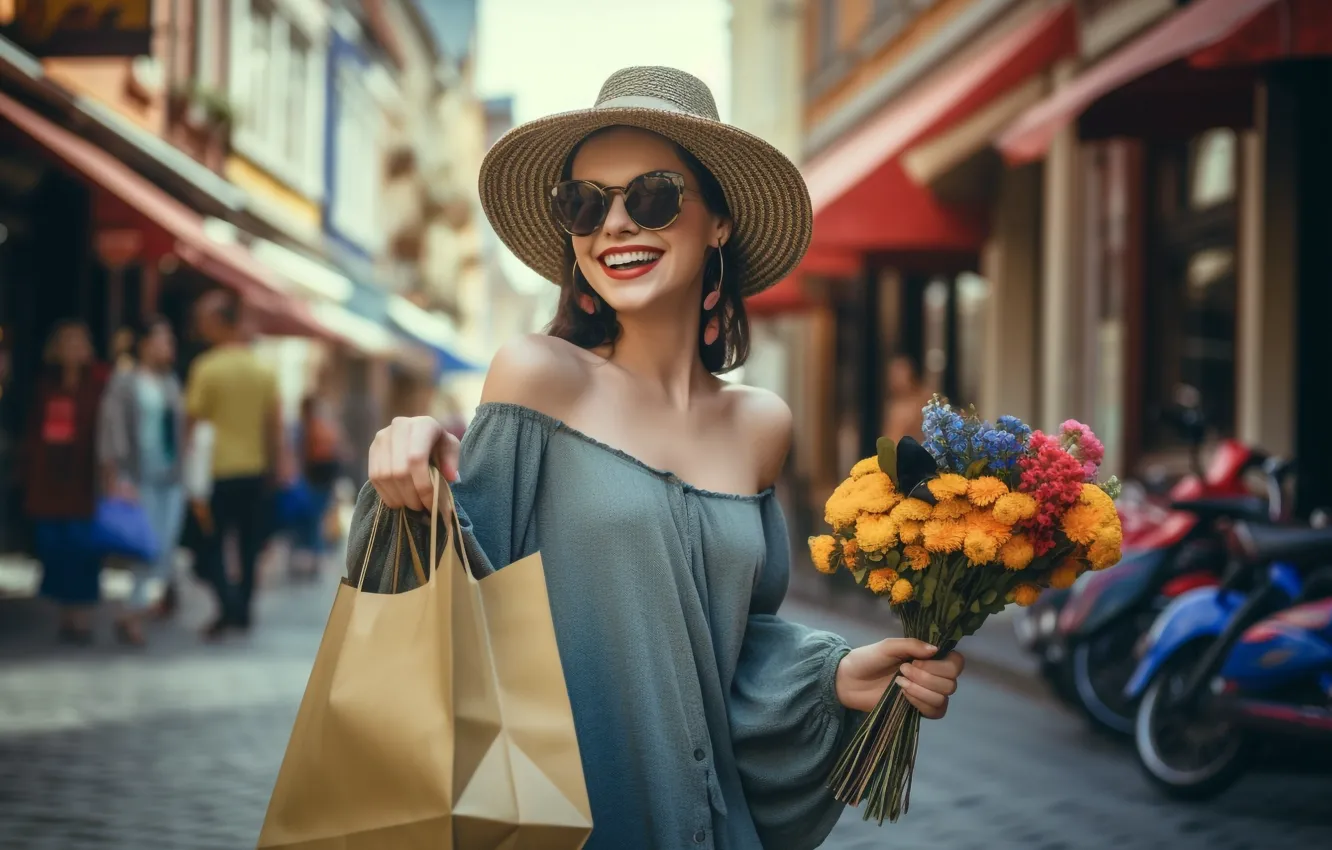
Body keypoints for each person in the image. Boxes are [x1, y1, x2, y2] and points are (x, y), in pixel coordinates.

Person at [362, 67, 965, 850]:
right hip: (564, 823)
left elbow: (731, 640)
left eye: (651, 196)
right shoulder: (537, 378)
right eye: (584, 203)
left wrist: (832, 678)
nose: (613, 225)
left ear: (717, 221)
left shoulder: (762, 427)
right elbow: (453, 600)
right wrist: (404, 484)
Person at [184, 290, 286, 638]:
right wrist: (276, 468)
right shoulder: (262, 369)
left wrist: (184, 468)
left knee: (208, 542)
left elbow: (191, 423)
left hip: (216, 472)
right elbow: (274, 428)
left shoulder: (206, 368)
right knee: (248, 546)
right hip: (255, 471)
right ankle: (241, 611)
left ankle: (228, 607)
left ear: (218, 324)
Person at [97, 316, 187, 645]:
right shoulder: (125, 381)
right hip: (138, 476)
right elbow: (113, 429)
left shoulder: (171, 382)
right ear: (145, 343)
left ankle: (134, 610)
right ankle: (132, 614)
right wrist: (116, 474)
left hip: (171, 477)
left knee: (164, 547)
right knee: (143, 547)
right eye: (164, 339)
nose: (169, 346)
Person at [21, 320, 110, 643]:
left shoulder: (98, 384)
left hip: (83, 477)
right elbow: (34, 430)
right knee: (54, 545)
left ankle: (81, 616)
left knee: (82, 547)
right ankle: (65, 613)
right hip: (49, 476)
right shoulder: (47, 384)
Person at [289, 394, 344, 578]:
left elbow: (301, 454)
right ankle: (314, 557)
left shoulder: (307, 427)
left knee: (312, 518)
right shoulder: (322, 425)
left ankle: (312, 557)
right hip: (323, 475)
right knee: (316, 517)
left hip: (314, 477)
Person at [882, 353, 934, 443]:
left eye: (900, 374)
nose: (895, 379)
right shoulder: (895, 407)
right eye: (893, 375)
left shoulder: (925, 398)